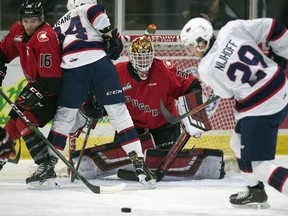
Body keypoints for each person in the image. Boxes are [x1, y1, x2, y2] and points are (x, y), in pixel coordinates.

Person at [71, 37, 225, 181]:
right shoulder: (117, 73)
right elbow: (99, 93)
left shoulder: (164, 70)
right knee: (124, 159)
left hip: (163, 127)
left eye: (146, 57)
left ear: (152, 56)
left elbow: (192, 85)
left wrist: (192, 111)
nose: (143, 63)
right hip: (130, 128)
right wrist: (95, 107)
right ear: (131, 57)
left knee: (163, 162)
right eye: (139, 58)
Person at [180, 17, 288, 208]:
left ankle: (258, 184)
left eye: (191, 47)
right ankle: (255, 190)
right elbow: (273, 26)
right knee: (237, 143)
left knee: (260, 166)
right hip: (278, 85)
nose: (190, 52)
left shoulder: (205, 68)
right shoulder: (232, 28)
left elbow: (227, 94)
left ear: (202, 41)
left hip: (261, 106)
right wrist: (283, 54)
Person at [47, 0, 156, 188]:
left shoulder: (56, 25)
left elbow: (53, 53)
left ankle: (47, 167)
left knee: (64, 118)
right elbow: (100, 18)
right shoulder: (88, 8)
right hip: (99, 63)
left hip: (72, 69)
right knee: (119, 113)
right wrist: (109, 37)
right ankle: (139, 164)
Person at [0, 0, 62, 188]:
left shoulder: (46, 37)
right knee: (10, 127)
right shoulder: (18, 30)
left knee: (23, 120)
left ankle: (45, 167)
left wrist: (35, 92)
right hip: (36, 85)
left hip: (52, 91)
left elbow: (52, 79)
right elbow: (3, 52)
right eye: (26, 21)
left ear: (41, 19)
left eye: (33, 21)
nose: (29, 25)